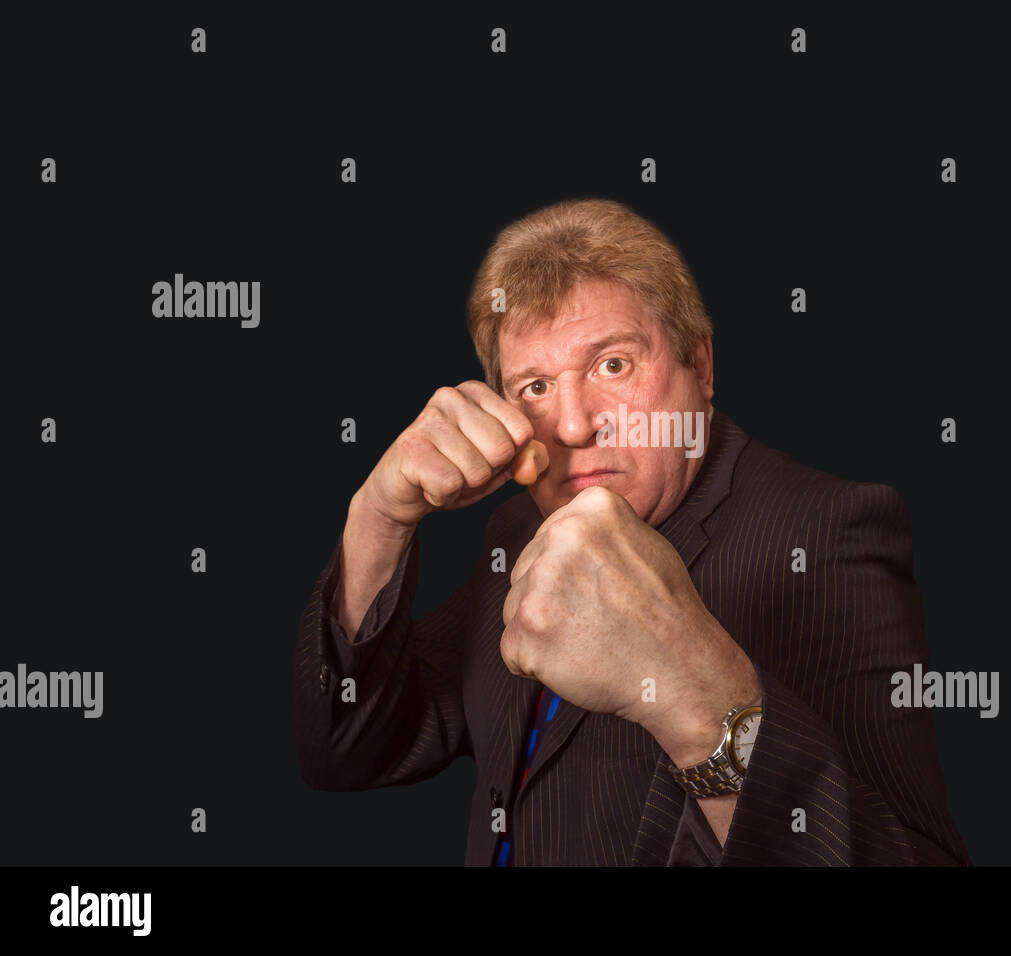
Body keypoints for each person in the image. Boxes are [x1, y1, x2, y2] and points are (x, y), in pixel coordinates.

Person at [294, 197, 972, 866]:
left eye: (612, 365)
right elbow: (349, 750)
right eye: (534, 387)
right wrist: (378, 521)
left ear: (700, 368)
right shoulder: (518, 527)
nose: (572, 425)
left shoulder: (824, 530)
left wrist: (705, 709)